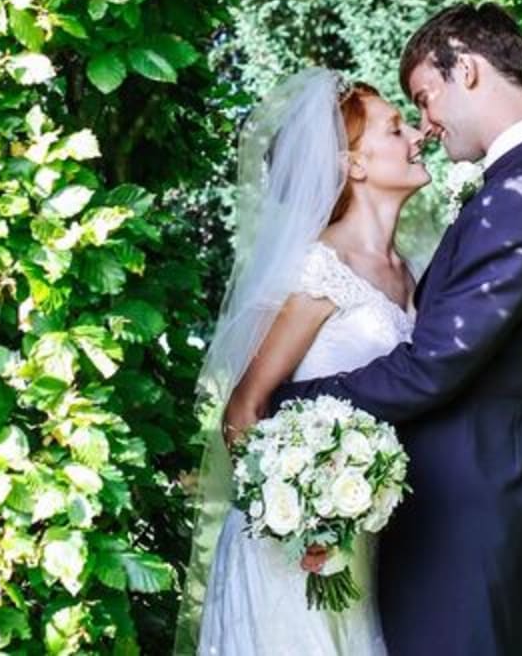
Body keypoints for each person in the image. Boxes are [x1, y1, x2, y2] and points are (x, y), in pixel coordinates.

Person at [272, 3, 522, 655]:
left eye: (425, 97)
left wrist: (294, 407)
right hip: (503, 486)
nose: (426, 124)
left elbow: (433, 364)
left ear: (468, 71)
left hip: (471, 510)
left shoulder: (521, 195)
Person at [176, 67, 431, 655]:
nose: (417, 135)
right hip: (296, 552)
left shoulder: (408, 269)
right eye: (395, 129)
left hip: (363, 538)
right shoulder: (318, 271)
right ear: (355, 165)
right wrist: (305, 523)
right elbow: (244, 408)